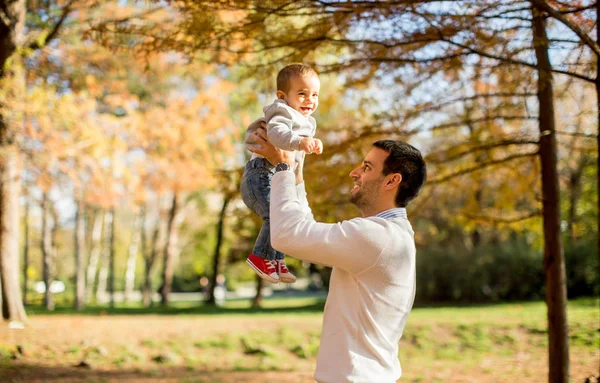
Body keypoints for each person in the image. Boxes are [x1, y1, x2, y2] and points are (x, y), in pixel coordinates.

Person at [250, 127, 426, 382]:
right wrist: (296, 177)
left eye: (366, 167)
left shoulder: (377, 237)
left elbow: (287, 235)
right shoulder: (390, 234)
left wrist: (283, 168)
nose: (354, 173)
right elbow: (305, 235)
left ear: (391, 181)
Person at [241, 63, 323, 284]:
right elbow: (277, 135)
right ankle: (260, 257)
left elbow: (295, 158)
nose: (310, 100)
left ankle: (276, 259)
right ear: (282, 96)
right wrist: (300, 142)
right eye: (302, 94)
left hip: (275, 175)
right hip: (259, 176)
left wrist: (309, 145)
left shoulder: (305, 121)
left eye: (314, 95)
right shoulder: (281, 111)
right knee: (276, 215)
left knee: (284, 215)